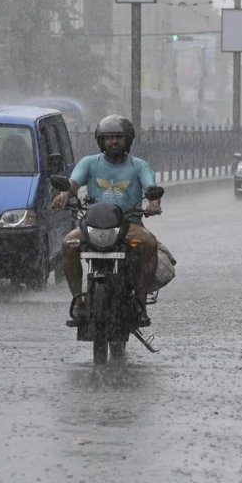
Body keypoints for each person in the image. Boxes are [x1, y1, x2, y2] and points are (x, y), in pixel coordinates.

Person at [52, 114, 161, 326]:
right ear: (101, 141)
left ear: (128, 140)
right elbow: (73, 183)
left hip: (129, 224)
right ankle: (78, 301)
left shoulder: (139, 166)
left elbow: (150, 187)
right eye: (109, 137)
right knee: (68, 244)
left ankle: (140, 304)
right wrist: (65, 194)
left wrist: (154, 202)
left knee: (149, 243)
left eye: (118, 137)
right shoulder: (89, 163)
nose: (113, 141)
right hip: (92, 225)